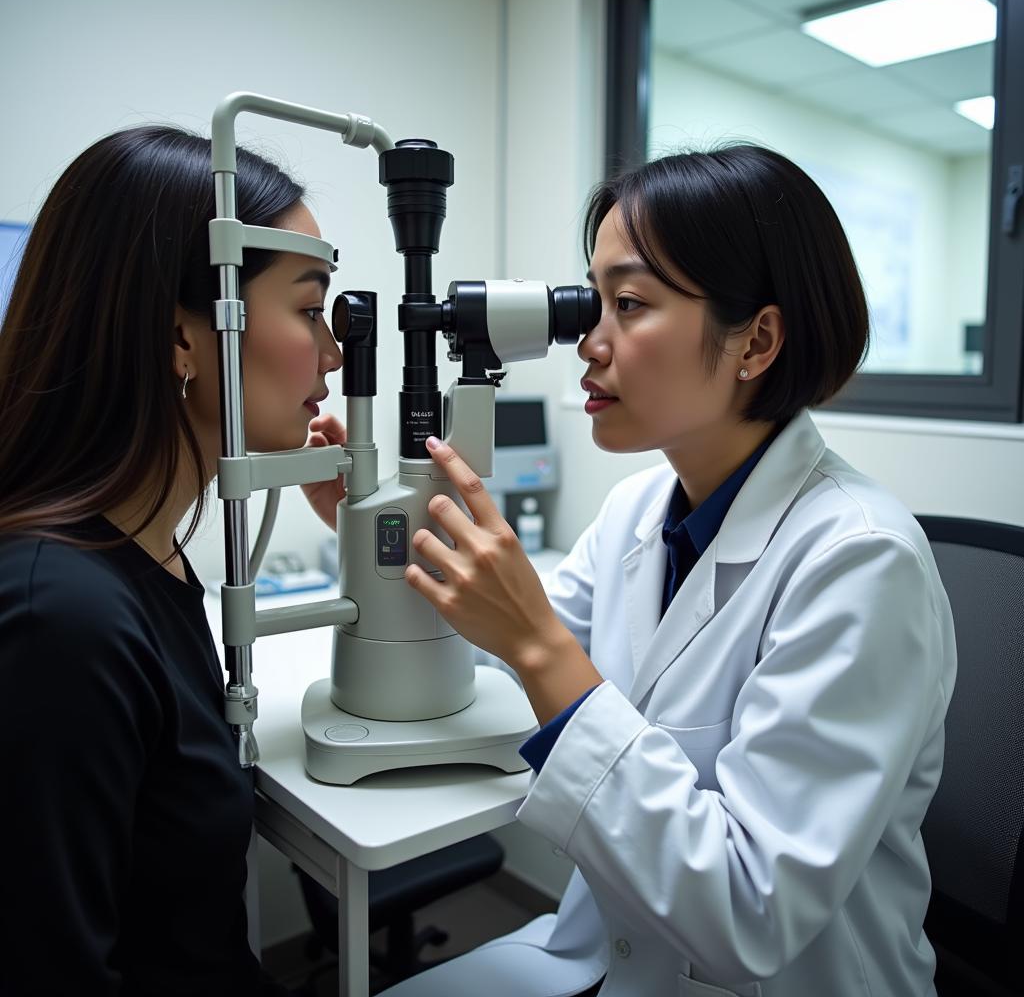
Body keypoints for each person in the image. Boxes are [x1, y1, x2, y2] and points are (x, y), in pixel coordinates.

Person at [385, 145, 957, 997]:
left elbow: (749, 911)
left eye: (627, 304)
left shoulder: (861, 562)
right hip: (609, 954)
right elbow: (499, 658)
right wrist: (380, 534)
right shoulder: (640, 508)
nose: (589, 340)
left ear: (756, 339)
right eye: (593, 299)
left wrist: (542, 648)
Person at [0, 126, 347, 996]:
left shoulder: (150, 560)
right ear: (183, 340)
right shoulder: (61, 621)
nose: (335, 353)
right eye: (310, 311)